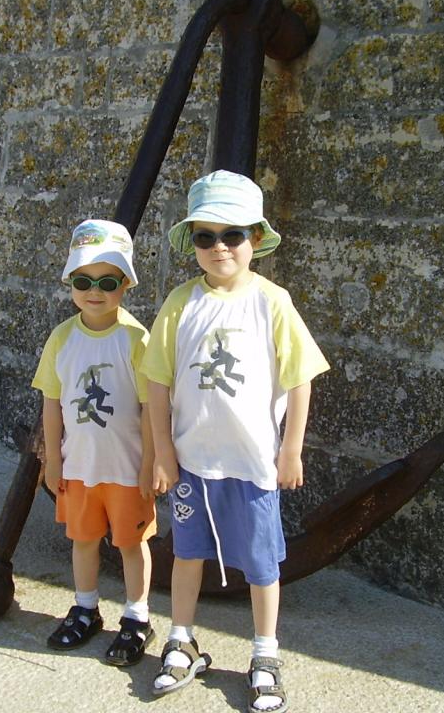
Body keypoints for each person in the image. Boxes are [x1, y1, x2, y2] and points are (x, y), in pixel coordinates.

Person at [142, 170, 330, 713]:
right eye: (206, 236)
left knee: (262, 565)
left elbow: (300, 379)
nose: (220, 246)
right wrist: (163, 452)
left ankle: (265, 652)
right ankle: (182, 638)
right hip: (193, 464)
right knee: (187, 554)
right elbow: (157, 383)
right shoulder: (181, 303)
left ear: (256, 239)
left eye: (233, 234)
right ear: (193, 242)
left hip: (252, 465)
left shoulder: (272, 302)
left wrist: (290, 449)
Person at [32, 218, 157, 666]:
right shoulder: (62, 338)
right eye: (83, 281)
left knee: (131, 544)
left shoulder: (136, 339)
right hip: (79, 466)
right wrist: (53, 460)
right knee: (83, 540)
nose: (94, 291)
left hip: (125, 468)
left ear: (125, 284)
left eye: (107, 281)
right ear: (70, 283)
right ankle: (85, 607)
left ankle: (137, 616)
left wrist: (150, 463)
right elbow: (52, 404)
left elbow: (150, 407)